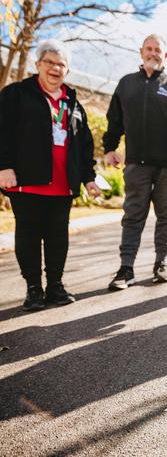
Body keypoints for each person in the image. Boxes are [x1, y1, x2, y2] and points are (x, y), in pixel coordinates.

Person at [0, 39, 100, 310]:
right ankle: (34, 289)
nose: (55, 68)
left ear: (67, 71)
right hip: (27, 181)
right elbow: (3, 131)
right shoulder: (17, 94)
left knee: (58, 237)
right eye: (50, 62)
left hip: (62, 183)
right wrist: (4, 166)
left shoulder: (73, 103)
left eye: (61, 64)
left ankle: (55, 286)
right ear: (38, 65)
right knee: (29, 234)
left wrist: (89, 178)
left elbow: (84, 144)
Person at [103, 34, 167, 290]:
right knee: (133, 217)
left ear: (165, 56)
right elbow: (114, 121)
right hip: (136, 165)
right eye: (149, 48)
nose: (153, 53)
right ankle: (126, 269)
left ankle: (162, 263)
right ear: (141, 52)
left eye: (158, 50)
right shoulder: (126, 84)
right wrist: (109, 148)